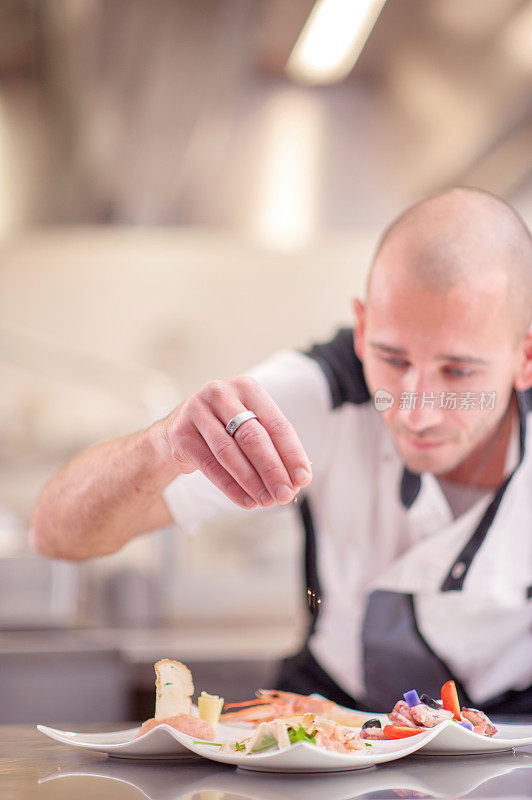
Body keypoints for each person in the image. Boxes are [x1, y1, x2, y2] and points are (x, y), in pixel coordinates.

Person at [30, 187, 532, 713]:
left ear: (524, 357)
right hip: (330, 724)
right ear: (362, 330)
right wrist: (161, 446)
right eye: (391, 357)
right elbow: (55, 533)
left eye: (458, 371)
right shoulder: (317, 394)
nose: (414, 411)